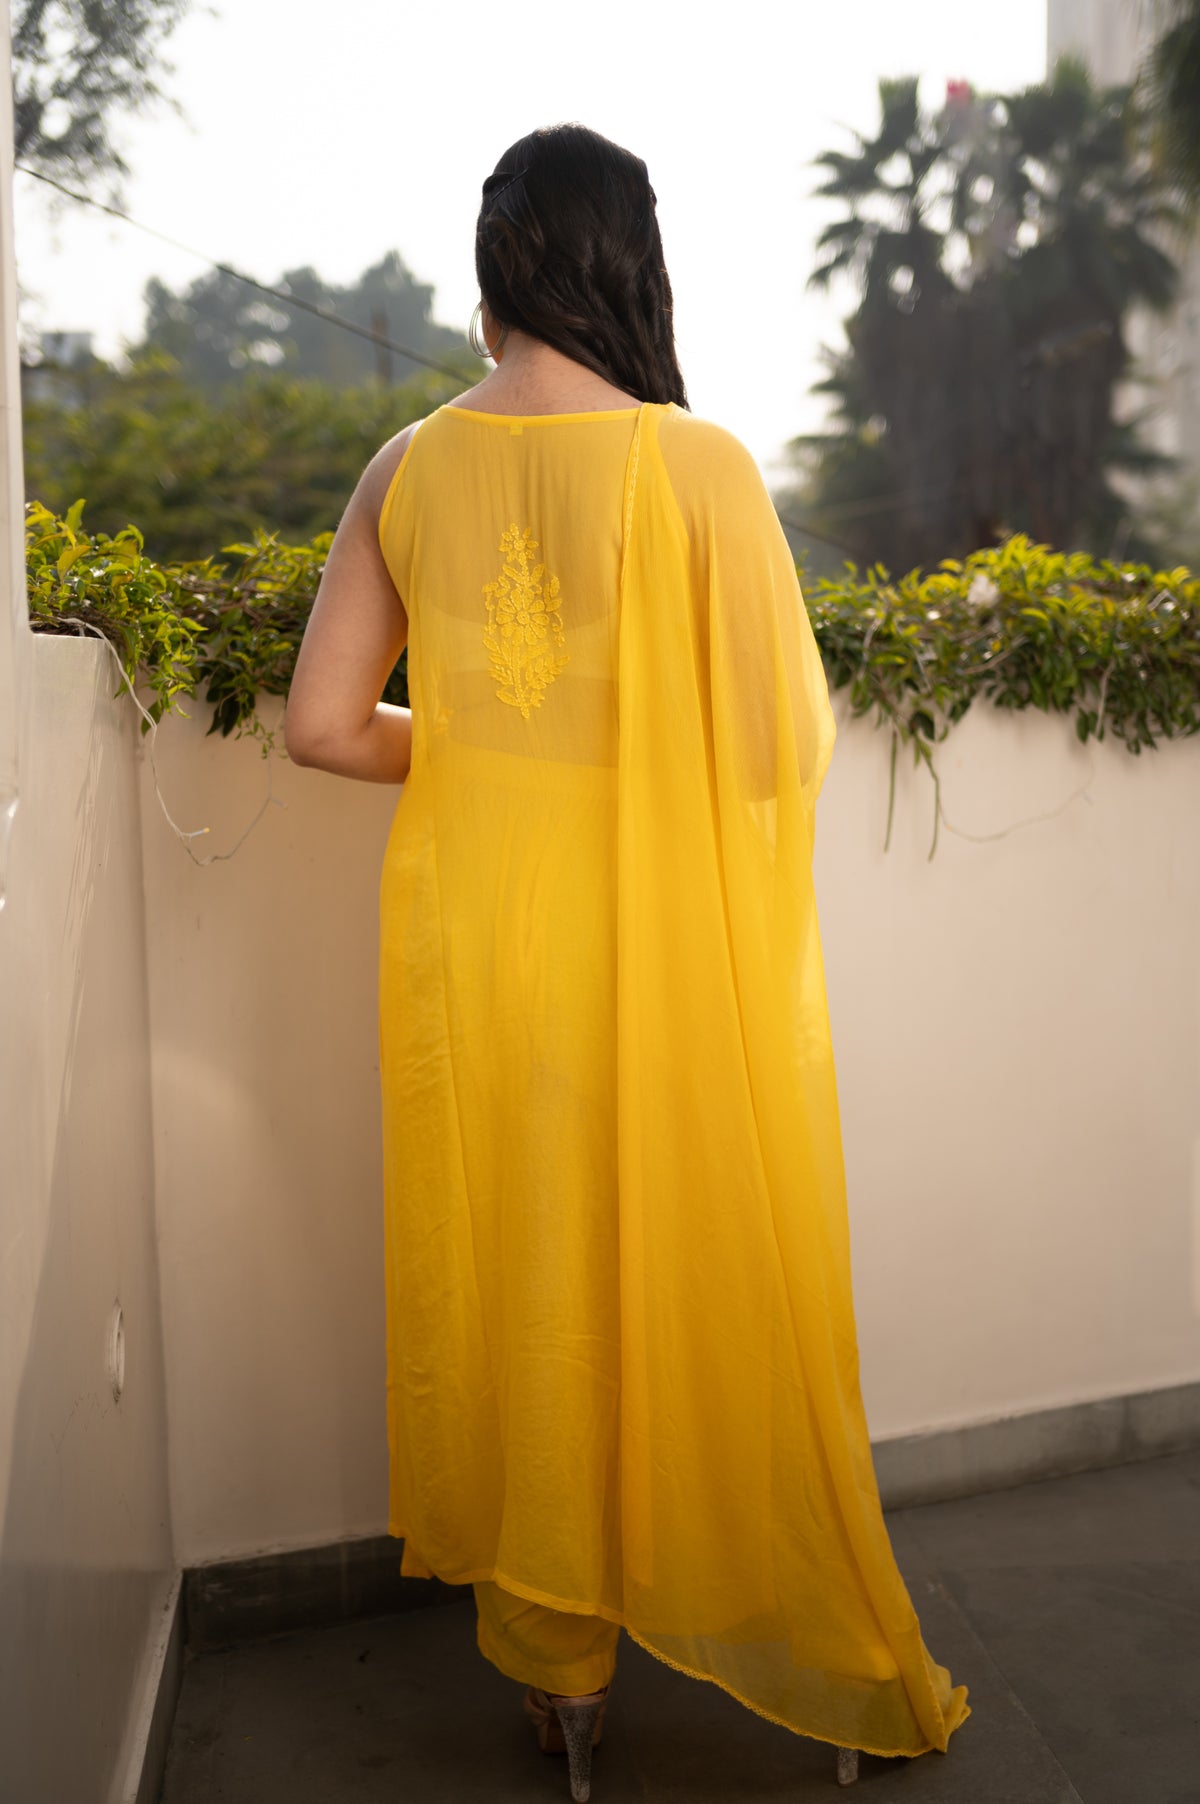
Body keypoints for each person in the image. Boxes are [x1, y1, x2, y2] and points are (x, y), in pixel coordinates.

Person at [284, 122, 971, 1801]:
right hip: (656, 957)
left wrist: (482, 753)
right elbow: (778, 746)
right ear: (630, 265)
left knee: (530, 1289)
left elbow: (323, 727)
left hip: (479, 959)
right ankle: (793, 1625)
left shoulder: (405, 469)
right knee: (695, 1269)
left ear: (494, 272)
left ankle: (564, 1678)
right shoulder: (699, 468)